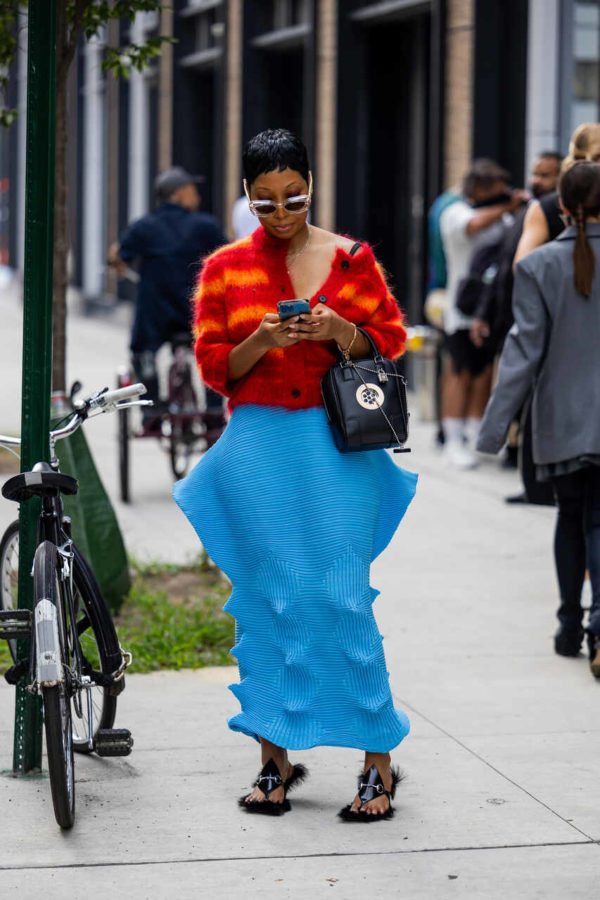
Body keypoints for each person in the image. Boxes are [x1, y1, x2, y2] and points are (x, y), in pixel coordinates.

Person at [173, 129, 417, 820]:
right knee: (269, 602)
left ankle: (378, 761)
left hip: (337, 449)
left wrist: (341, 332)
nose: (280, 214)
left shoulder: (351, 258)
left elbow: (391, 340)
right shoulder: (223, 268)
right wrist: (264, 340)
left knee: (341, 597)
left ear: (311, 181)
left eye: (294, 198)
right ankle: (274, 762)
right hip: (259, 451)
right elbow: (214, 365)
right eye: (264, 203)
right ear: (246, 198)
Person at [477, 161, 600, 679]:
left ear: (563, 210)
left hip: (560, 418)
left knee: (570, 518)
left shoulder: (536, 267)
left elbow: (524, 352)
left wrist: (493, 428)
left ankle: (570, 625)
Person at [108, 167, 227, 439]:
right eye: (193, 191)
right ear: (180, 193)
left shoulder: (143, 227)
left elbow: (119, 257)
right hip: (195, 311)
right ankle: (212, 413)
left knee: (142, 349)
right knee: (214, 350)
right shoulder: (204, 225)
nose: (196, 196)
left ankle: (151, 412)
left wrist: (115, 261)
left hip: (156, 313)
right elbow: (227, 257)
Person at [469, 152, 562, 492]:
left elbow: (523, 268)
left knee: (534, 394)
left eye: (546, 175)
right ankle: (519, 460)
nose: (537, 180)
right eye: (535, 173)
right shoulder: (528, 213)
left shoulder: (553, 216)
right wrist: (483, 314)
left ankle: (536, 476)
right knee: (517, 388)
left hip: (542, 322)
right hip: (509, 316)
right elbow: (499, 270)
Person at [439, 159, 529, 469]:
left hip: (491, 308)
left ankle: (476, 431)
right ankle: (452, 438)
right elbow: (472, 226)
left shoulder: (503, 216)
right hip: (462, 307)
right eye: (496, 192)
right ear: (479, 189)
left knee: (483, 372)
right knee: (459, 370)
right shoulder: (456, 211)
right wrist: (508, 207)